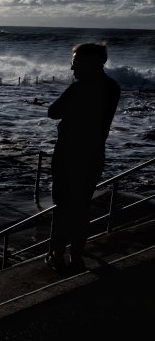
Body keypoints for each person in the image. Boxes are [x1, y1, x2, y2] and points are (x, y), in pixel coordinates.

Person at [45, 42, 120, 273]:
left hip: (69, 154)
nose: (71, 68)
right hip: (94, 153)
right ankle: (76, 256)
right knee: (81, 207)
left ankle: (57, 254)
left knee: (63, 206)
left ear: (91, 63)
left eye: (76, 62)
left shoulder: (79, 88)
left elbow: (52, 111)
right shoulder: (112, 87)